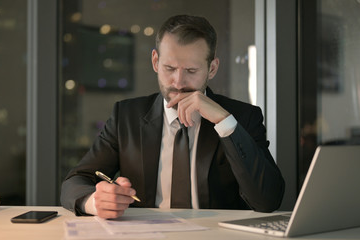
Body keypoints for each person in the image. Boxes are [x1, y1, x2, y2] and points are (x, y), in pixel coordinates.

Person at [61, 14, 285, 219]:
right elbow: (74, 182)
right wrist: (94, 202)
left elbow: (268, 201)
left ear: (212, 68)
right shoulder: (126, 117)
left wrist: (225, 123)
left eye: (191, 71)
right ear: (155, 62)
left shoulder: (243, 117)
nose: (178, 83)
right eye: (169, 68)